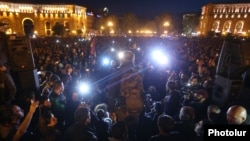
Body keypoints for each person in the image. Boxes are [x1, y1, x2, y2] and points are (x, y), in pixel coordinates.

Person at [108, 50, 144, 121]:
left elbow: (111, 92)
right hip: (136, 106)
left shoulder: (117, 72)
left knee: (123, 129)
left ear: (122, 59)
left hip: (122, 106)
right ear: (133, 59)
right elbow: (141, 89)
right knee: (134, 128)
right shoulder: (138, 71)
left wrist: (111, 109)